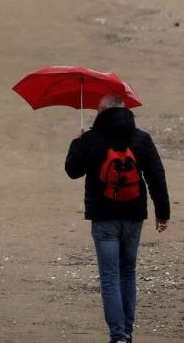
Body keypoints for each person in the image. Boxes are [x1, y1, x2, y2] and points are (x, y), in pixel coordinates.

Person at [66, 94, 170, 343]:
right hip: (134, 216)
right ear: (125, 110)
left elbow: (72, 171)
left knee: (110, 276)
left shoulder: (91, 139)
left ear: (102, 111)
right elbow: (156, 176)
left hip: (104, 218)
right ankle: (128, 331)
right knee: (128, 272)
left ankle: (118, 336)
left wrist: (78, 142)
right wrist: (163, 213)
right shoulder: (141, 138)